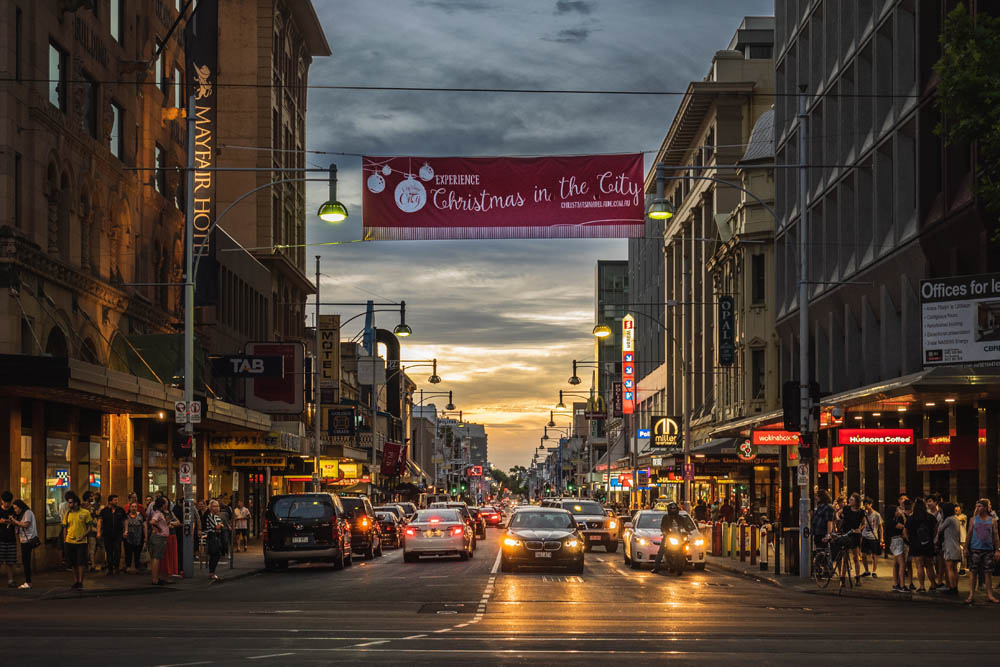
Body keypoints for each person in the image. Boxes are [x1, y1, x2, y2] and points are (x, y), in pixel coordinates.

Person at [964, 498, 1000, 604]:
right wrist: (966, 548)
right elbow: (969, 534)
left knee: (988, 573)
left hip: (988, 550)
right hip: (975, 549)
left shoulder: (992, 520)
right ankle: (971, 594)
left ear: (985, 507)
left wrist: (997, 550)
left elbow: (995, 536)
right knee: (973, 572)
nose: (977, 508)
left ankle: (990, 595)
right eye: (977, 506)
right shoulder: (973, 519)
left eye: (979, 506)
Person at [904, 498, 939, 593]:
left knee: (919, 566)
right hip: (928, 544)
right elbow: (936, 529)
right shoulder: (930, 517)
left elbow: (905, 532)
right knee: (929, 565)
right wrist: (931, 538)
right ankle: (933, 585)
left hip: (915, 545)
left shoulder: (911, 518)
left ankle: (922, 586)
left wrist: (910, 541)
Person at [62, 491, 94, 589]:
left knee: (80, 562)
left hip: (81, 542)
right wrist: (65, 540)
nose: (69, 504)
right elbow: (64, 527)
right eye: (68, 502)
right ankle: (76, 581)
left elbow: (89, 527)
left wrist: (83, 535)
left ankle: (80, 581)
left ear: (76, 503)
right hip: (69, 541)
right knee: (72, 563)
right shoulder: (67, 513)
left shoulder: (85, 513)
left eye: (71, 502)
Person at [148, 497, 178, 586]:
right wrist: (159, 528)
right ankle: (155, 579)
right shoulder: (158, 514)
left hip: (160, 537)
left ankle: (155, 578)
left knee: (156, 558)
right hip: (159, 538)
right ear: (162, 505)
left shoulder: (159, 513)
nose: (166, 504)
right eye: (164, 503)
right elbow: (152, 522)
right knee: (156, 558)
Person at [652, 503, 687, 573]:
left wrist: (686, 532)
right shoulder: (666, 518)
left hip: (678, 537)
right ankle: (656, 567)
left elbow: (685, 526)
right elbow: (662, 526)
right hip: (668, 536)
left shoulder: (680, 518)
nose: (673, 510)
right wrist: (665, 532)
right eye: (671, 509)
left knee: (684, 548)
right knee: (661, 551)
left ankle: (681, 564)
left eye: (674, 509)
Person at [11, 499, 38, 589]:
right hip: (23, 541)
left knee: (26, 562)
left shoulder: (28, 513)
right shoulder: (21, 514)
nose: (15, 510)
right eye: (14, 509)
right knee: (25, 561)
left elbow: (26, 525)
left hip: (28, 540)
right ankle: (28, 581)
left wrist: (15, 521)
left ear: (20, 506)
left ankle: (28, 582)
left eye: (16, 508)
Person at [98, 494, 126, 576]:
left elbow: (125, 520)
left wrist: (126, 530)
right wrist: (99, 532)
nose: (116, 501)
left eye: (117, 500)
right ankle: (110, 568)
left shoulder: (120, 510)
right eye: (115, 500)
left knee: (117, 550)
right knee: (109, 551)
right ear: (110, 501)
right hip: (107, 534)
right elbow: (100, 521)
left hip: (118, 534)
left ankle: (116, 567)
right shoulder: (104, 511)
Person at [936, 502, 961, 596]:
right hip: (956, 547)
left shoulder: (949, 519)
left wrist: (942, 517)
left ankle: (952, 588)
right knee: (954, 569)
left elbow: (940, 529)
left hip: (949, 547)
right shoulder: (956, 519)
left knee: (949, 568)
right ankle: (955, 587)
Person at [859, 496, 883, 578]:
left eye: (867, 504)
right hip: (865, 536)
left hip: (873, 537)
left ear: (871, 504)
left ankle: (874, 571)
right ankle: (866, 570)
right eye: (864, 504)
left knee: (874, 555)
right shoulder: (864, 514)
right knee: (863, 555)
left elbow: (880, 527)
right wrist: (859, 529)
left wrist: (882, 538)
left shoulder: (876, 515)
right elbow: (862, 524)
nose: (865, 506)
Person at [885, 504, 907, 593]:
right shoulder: (892, 521)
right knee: (902, 564)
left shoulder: (891, 521)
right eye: (897, 511)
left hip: (894, 542)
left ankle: (895, 584)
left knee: (896, 564)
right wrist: (903, 516)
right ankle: (902, 585)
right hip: (896, 541)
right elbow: (904, 526)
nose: (898, 512)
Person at [203, 500, 226, 580]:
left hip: (217, 536)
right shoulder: (210, 516)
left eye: (217, 506)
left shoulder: (217, 516)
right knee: (214, 555)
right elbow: (217, 527)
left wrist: (220, 526)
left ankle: (212, 572)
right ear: (210, 507)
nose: (216, 508)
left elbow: (221, 526)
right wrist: (219, 526)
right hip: (212, 537)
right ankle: (211, 573)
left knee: (217, 554)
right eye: (214, 506)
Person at [0, 491, 17, 587]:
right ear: (1, 500)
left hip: (11, 539)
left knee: (10, 562)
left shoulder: (13, 510)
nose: (6, 504)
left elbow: (18, 522)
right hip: (0, 539)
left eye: (8, 502)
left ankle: (11, 580)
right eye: (5, 502)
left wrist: (13, 521)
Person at [123, 502, 146, 574]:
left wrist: (146, 536)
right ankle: (128, 566)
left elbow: (144, 526)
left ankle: (137, 567)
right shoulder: (126, 516)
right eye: (132, 506)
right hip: (128, 538)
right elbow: (123, 526)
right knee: (128, 552)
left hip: (138, 537)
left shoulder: (141, 516)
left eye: (135, 507)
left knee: (137, 553)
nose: (134, 508)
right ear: (129, 508)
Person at [955, 503, 968, 575]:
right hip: (956, 537)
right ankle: (957, 568)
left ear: (961, 509)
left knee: (963, 554)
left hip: (963, 537)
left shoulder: (964, 516)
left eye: (958, 508)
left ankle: (962, 569)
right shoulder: (954, 516)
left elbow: (959, 519)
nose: (956, 509)